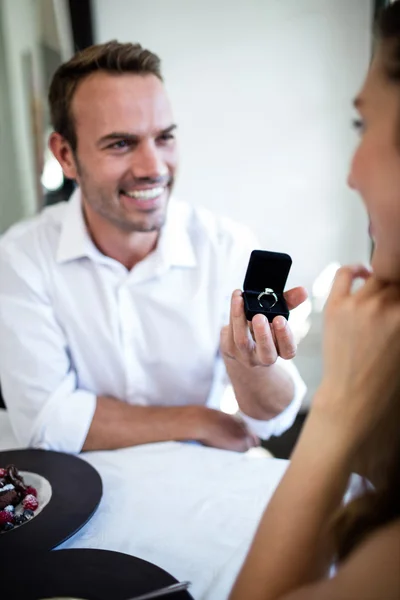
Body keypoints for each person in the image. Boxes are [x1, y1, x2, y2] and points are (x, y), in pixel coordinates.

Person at [0, 41, 307, 454]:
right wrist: (195, 419)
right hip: (77, 498)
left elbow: (272, 420)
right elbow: (45, 422)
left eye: (164, 138)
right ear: (66, 156)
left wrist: (249, 366)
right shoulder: (20, 258)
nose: (154, 168)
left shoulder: (226, 247)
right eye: (120, 144)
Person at [229, 3, 400, 599]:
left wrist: (338, 407)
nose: (351, 174)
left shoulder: (225, 240)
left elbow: (272, 419)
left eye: (362, 126)